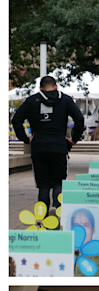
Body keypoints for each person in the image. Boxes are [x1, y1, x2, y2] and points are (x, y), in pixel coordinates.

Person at [11, 75, 84, 211]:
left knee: (43, 185)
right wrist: (74, 138)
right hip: (59, 146)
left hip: (39, 146)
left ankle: (42, 217)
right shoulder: (66, 100)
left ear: (40, 88)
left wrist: (26, 139)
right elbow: (79, 119)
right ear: (56, 87)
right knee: (58, 183)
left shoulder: (32, 101)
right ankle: (57, 211)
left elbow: (16, 119)